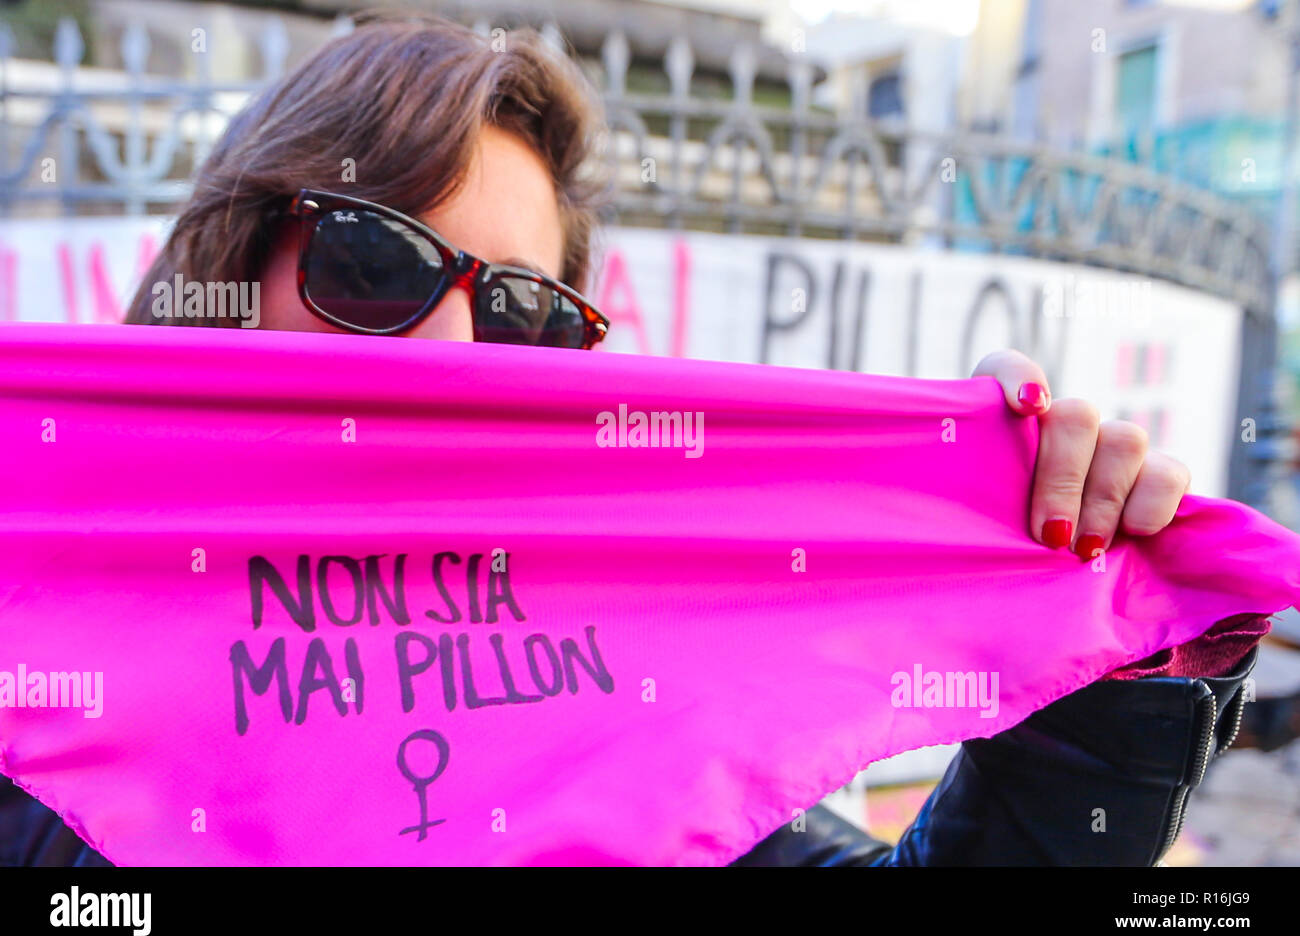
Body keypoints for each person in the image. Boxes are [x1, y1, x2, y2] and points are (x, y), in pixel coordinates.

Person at [0, 12, 1263, 867]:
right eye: (371, 258)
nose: (449, 349)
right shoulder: (29, 641)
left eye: (519, 310)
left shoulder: (616, 677)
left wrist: (1107, 667)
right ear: (233, 264)